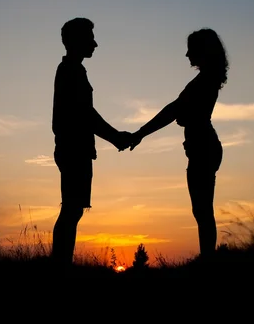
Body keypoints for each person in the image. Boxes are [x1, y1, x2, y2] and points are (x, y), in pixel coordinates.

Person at [129, 28, 228, 260]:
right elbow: (178, 111)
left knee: (202, 211)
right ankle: (207, 258)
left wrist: (141, 133)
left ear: (202, 50)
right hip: (202, 147)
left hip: (203, 147)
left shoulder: (204, 81)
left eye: (190, 49)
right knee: (201, 210)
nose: (186, 55)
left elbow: (175, 111)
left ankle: (208, 260)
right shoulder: (205, 79)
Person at [51, 17, 131, 267]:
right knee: (71, 210)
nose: (95, 44)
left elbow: (86, 115)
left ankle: (61, 264)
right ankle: (60, 265)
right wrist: (116, 136)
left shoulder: (74, 70)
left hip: (76, 148)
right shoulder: (71, 71)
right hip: (74, 149)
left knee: (73, 210)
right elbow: (86, 115)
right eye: (90, 39)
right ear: (77, 41)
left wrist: (114, 136)